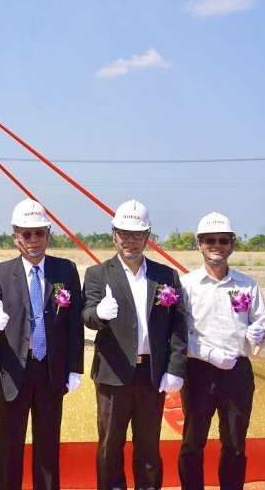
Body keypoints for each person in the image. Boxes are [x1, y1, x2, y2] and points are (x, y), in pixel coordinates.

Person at [82, 199, 187, 490]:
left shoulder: (165, 276)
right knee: (110, 445)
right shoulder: (98, 274)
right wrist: (99, 314)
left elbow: (178, 325)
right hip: (113, 373)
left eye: (137, 234)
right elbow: (87, 316)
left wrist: (175, 367)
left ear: (148, 237)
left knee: (149, 446)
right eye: (124, 234)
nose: (130, 240)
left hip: (151, 374)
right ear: (113, 234)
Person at [0, 199, 84, 490]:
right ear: (15, 236)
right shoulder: (0, 273)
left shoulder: (65, 270)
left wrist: (74, 368)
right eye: (26, 234)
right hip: (13, 370)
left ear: (48, 234)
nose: (33, 240)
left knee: (48, 447)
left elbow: (74, 324)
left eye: (39, 232)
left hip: (50, 370)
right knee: (8, 448)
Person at [178, 212, 265, 490]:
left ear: (232, 244)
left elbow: (263, 321)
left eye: (223, 240)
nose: (216, 245)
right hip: (198, 371)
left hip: (236, 371)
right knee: (193, 440)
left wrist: (260, 332)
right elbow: (179, 333)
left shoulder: (246, 284)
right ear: (199, 244)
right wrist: (206, 353)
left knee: (234, 441)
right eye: (209, 240)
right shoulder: (186, 285)